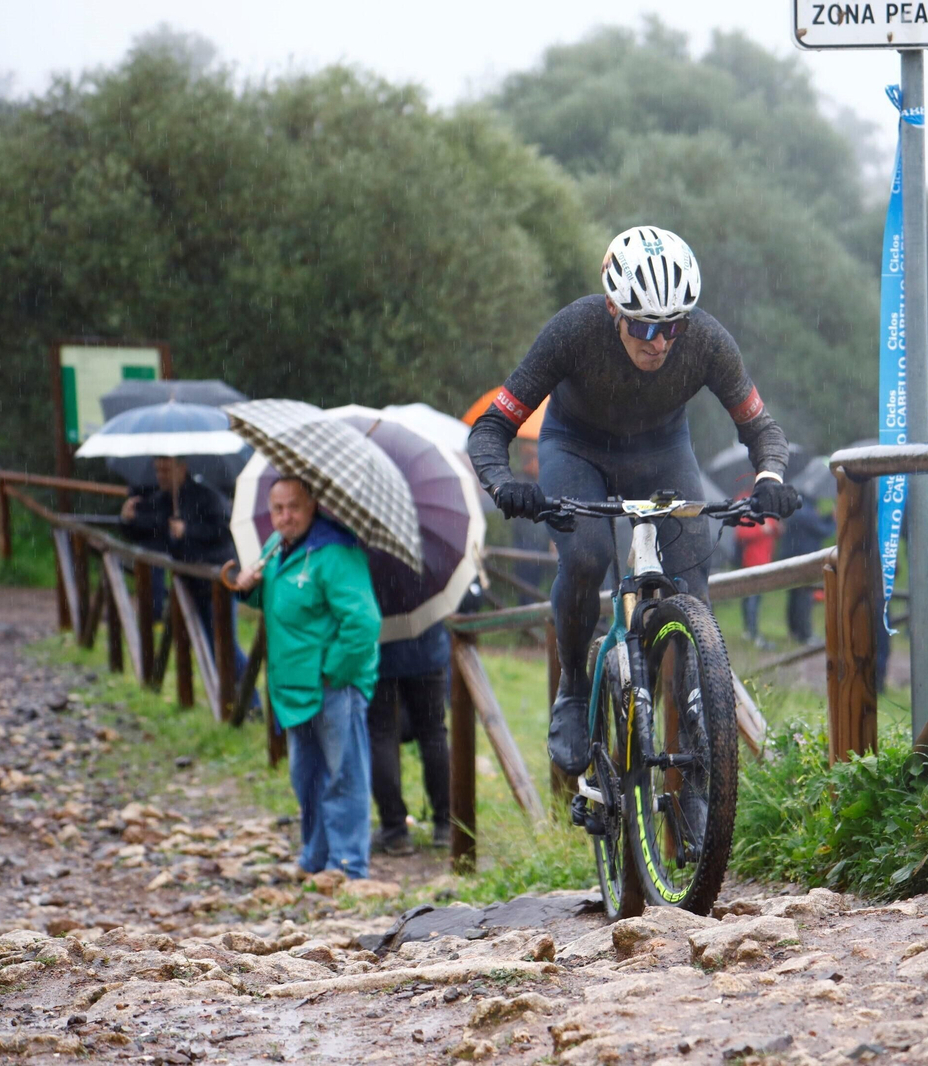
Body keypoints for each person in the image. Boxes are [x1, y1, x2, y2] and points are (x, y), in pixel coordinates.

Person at [467, 225, 800, 775]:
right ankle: (574, 687)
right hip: (575, 447)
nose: (659, 342)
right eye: (644, 325)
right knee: (587, 554)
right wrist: (504, 483)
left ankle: (695, 704)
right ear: (613, 309)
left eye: (672, 326)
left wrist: (768, 477)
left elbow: (762, 428)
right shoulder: (574, 329)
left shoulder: (708, 341)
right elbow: (492, 425)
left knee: (693, 563)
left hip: (661, 451)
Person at [230, 476, 380, 879]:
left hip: (334, 685)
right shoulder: (275, 547)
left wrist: (332, 670)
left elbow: (364, 622)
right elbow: (277, 599)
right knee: (306, 776)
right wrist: (247, 588)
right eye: (277, 508)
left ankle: (348, 865)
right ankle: (315, 858)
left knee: (343, 775)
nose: (284, 516)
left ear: (313, 504)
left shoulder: (335, 551)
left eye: (294, 506)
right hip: (291, 686)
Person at [121, 457, 248, 683]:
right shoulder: (163, 500)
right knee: (209, 646)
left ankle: (251, 700)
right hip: (190, 583)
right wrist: (127, 519)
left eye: (166, 470)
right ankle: (231, 701)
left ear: (182, 468)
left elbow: (222, 530)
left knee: (224, 646)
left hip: (217, 580)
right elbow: (147, 532)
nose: (160, 475)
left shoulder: (207, 496)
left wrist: (189, 531)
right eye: (158, 470)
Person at [367, 622, 451, 855]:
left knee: (381, 734)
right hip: (427, 647)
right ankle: (446, 824)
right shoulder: (426, 583)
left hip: (378, 647)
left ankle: (395, 831)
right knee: (434, 732)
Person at [778, 503, 834, 644]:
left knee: (795, 596)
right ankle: (805, 635)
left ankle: (795, 631)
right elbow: (823, 531)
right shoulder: (807, 514)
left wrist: (827, 517)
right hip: (804, 561)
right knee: (804, 598)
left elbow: (814, 526)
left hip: (792, 559)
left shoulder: (796, 512)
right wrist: (833, 519)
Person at [734, 512, 779, 649]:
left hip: (764, 562)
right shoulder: (748, 513)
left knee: (756, 598)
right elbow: (740, 534)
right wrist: (760, 530)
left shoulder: (768, 515)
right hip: (751, 563)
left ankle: (751, 630)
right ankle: (751, 632)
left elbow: (775, 530)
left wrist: (775, 528)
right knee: (751, 598)